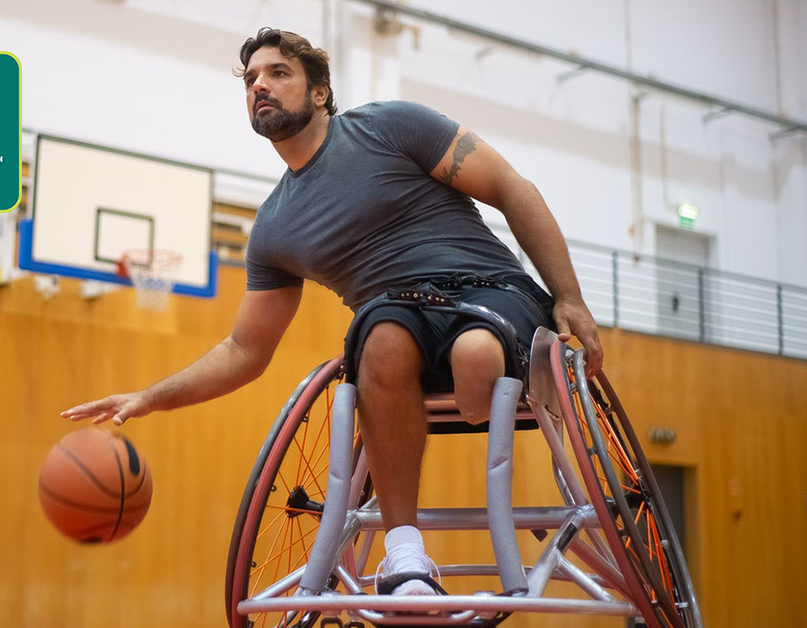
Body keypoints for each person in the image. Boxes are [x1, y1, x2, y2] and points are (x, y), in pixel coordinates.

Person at [62, 28, 601, 599]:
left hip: (490, 290)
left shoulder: (390, 126)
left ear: (320, 92)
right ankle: (407, 557)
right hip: (397, 318)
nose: (259, 86)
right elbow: (244, 350)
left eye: (277, 73)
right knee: (378, 338)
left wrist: (569, 295)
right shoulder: (273, 227)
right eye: (250, 80)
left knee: (474, 361)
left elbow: (512, 188)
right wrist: (149, 397)